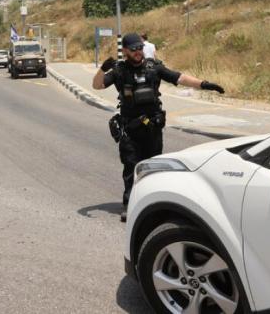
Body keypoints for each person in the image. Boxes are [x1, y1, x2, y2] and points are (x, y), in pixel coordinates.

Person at [92, 32, 224, 222]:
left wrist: (204, 84)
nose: (138, 52)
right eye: (134, 49)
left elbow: (179, 78)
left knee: (154, 168)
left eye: (140, 48)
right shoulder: (119, 71)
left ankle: (154, 204)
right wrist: (102, 70)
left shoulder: (154, 67)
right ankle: (130, 205)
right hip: (130, 130)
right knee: (131, 168)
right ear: (126, 50)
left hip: (152, 128)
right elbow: (97, 85)